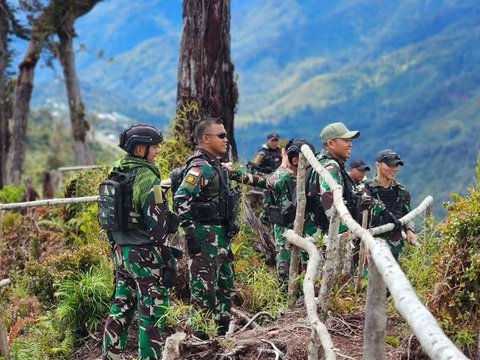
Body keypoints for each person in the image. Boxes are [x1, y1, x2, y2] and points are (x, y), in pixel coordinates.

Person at [174, 117, 266, 336]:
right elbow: (181, 198)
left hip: (222, 237)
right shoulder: (200, 168)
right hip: (205, 237)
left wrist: (277, 178)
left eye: (226, 135)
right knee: (203, 291)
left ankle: (222, 335)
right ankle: (200, 338)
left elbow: (250, 179)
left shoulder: (217, 166)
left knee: (225, 286)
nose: (226, 139)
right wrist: (191, 233)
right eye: (221, 135)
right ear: (206, 139)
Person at [101, 124, 176, 360]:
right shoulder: (147, 180)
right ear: (141, 148)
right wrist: (169, 262)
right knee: (152, 314)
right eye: (154, 147)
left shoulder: (117, 173)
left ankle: (110, 356)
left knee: (120, 309)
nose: (158, 152)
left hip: (121, 253)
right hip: (145, 255)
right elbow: (159, 229)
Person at [306, 122, 399, 234]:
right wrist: (348, 234)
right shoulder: (330, 167)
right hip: (323, 237)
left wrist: (380, 208)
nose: (350, 144)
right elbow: (332, 206)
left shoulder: (321, 161)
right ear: (331, 143)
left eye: (350, 141)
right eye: (346, 141)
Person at [266, 139, 315, 283]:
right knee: (284, 274)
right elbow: (272, 183)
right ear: (295, 159)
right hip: (284, 235)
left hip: (306, 232)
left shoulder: (309, 178)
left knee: (306, 273)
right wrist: (283, 165)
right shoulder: (283, 176)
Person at [365, 149, 417, 261]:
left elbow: (408, 214)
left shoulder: (402, 191)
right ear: (378, 165)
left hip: (394, 246)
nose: (394, 169)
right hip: (370, 246)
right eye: (390, 165)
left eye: (397, 165)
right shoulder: (366, 190)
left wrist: (410, 230)